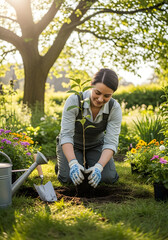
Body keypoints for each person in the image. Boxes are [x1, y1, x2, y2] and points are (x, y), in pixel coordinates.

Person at [56, 68, 122, 188]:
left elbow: (111, 142)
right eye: (97, 93)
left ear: (112, 94)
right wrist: (73, 163)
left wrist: (99, 167)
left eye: (107, 96)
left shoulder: (114, 108)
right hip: (72, 144)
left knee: (108, 178)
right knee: (67, 179)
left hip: (96, 144)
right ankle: (67, 163)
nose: (101, 99)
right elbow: (66, 135)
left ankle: (91, 164)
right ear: (91, 85)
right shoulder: (75, 101)